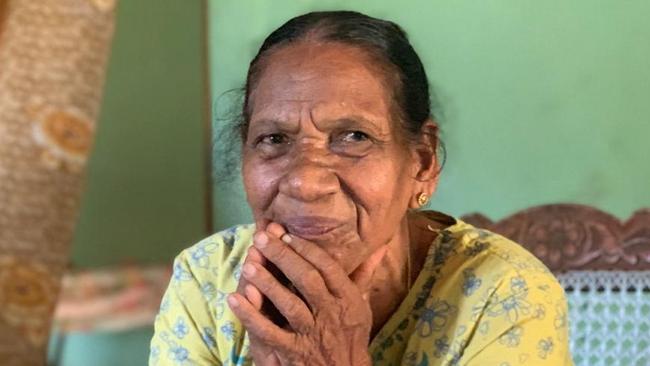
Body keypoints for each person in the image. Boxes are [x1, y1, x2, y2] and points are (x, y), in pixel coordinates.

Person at [150, 10, 572, 366]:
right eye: (274, 140)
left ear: (421, 164)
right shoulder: (208, 278)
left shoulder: (502, 294)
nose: (305, 182)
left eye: (353, 137)